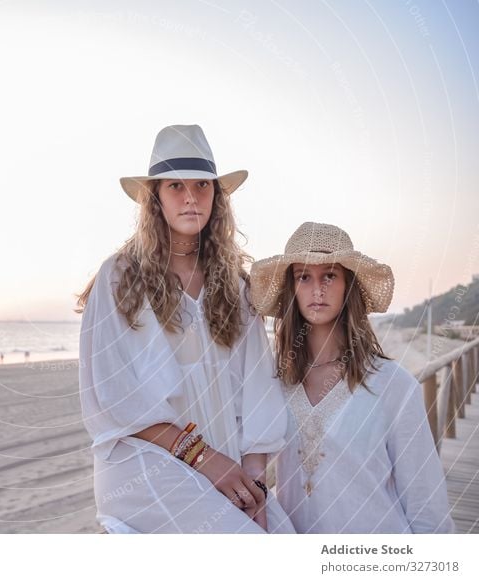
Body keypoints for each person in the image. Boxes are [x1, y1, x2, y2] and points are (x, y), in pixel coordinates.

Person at [75, 124, 294, 533]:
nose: (191, 197)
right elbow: (113, 399)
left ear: (217, 196)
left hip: (227, 461)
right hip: (144, 463)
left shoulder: (237, 286)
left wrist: (255, 486)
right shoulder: (119, 279)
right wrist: (205, 460)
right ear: (155, 198)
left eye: (202, 185)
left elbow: (258, 390)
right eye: (175, 185)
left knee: (276, 532)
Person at [249, 222, 454, 533]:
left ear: (349, 285)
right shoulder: (274, 381)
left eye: (329, 275)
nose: (317, 290)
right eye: (303, 276)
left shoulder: (394, 386)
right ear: (291, 288)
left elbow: (428, 508)